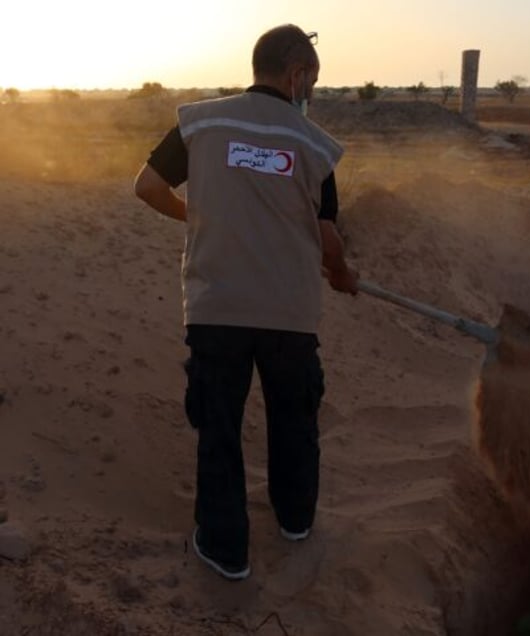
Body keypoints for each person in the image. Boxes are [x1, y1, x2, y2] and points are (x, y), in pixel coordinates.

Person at [133, 24, 358, 581]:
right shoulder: (313, 145)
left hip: (217, 308)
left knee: (219, 429)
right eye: (312, 82)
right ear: (296, 73)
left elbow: (146, 187)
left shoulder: (203, 122)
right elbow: (327, 237)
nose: (310, 93)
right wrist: (342, 272)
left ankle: (225, 549)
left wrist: (200, 216)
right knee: (293, 422)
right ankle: (295, 521)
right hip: (290, 316)